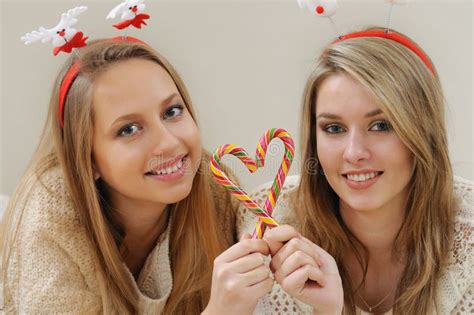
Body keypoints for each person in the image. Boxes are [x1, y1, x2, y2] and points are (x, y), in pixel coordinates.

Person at [0, 38, 273, 314]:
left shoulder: (208, 180)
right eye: (129, 129)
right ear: (86, 159)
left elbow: (249, 217)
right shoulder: (47, 219)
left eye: (172, 111)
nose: (168, 142)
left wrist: (271, 246)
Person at [238, 26, 473, 314]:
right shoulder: (265, 217)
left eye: (381, 126)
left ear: (423, 132)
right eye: (334, 128)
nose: (354, 153)